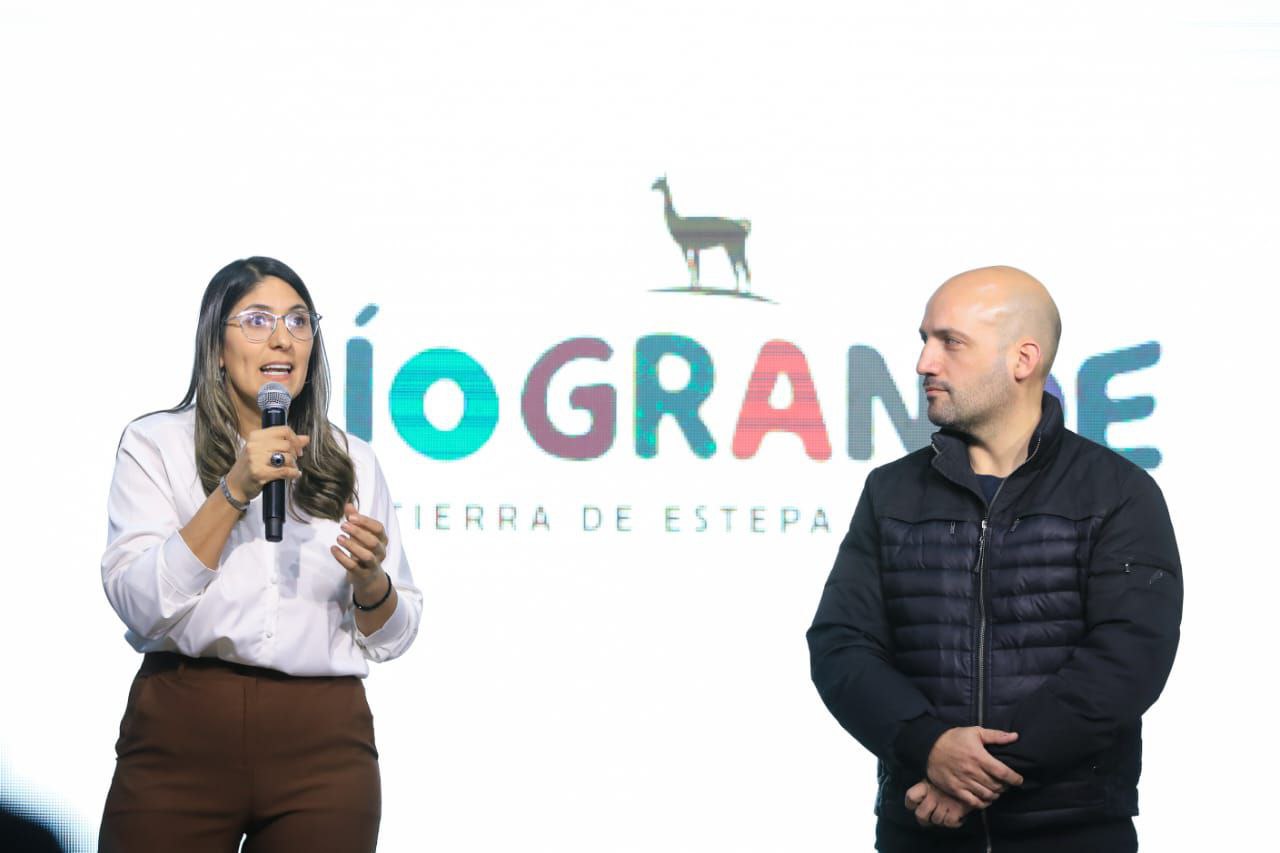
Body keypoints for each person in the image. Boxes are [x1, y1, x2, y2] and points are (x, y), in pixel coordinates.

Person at [807, 266, 1181, 852]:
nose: (924, 363)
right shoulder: (890, 493)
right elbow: (841, 646)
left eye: (950, 342)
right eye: (924, 340)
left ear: (1023, 359)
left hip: (1071, 834)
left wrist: (971, 775)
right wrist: (929, 746)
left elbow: (1126, 662)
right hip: (920, 833)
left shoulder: (1119, 493)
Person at [98, 257, 422, 853]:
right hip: (183, 727)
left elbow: (393, 637)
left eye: (299, 321)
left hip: (323, 745)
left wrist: (372, 582)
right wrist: (234, 490)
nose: (282, 338)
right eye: (257, 320)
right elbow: (141, 603)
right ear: (216, 347)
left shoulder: (353, 461)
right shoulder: (156, 444)